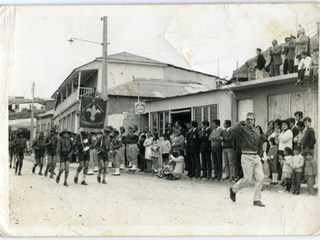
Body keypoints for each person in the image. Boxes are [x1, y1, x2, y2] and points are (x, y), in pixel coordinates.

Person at [229, 112, 265, 207]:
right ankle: (233, 189)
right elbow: (233, 130)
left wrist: (261, 156)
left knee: (260, 177)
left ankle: (257, 200)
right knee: (248, 179)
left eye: (251, 119)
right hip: (246, 156)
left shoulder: (257, 132)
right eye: (247, 119)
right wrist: (240, 122)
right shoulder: (242, 129)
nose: (249, 121)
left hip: (256, 157)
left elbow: (260, 145)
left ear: (254, 121)